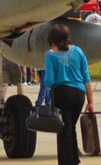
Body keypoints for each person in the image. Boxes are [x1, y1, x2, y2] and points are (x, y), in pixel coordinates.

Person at [42, 23, 93, 165]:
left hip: (62, 93)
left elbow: (49, 80)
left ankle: (66, 161)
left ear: (52, 38)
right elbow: (86, 77)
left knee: (64, 129)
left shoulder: (51, 55)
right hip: (79, 94)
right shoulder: (78, 51)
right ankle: (74, 158)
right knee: (71, 127)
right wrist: (90, 101)